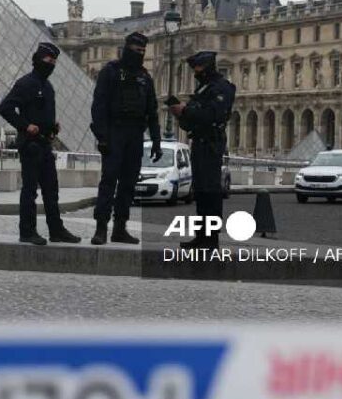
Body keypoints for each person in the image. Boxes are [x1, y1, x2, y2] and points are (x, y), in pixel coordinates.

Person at [0, 42, 82, 246]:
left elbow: (43, 114)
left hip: (45, 144)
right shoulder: (25, 83)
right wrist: (25, 126)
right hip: (30, 145)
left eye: (54, 61)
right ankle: (27, 231)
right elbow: (5, 108)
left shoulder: (48, 86)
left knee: (51, 190)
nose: (52, 64)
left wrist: (53, 128)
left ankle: (56, 230)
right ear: (38, 59)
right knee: (30, 190)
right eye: (48, 60)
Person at [90, 31, 161, 245]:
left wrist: (156, 140)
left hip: (135, 135)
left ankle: (120, 227)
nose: (139, 53)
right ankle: (101, 227)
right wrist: (102, 136)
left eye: (142, 51)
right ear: (127, 48)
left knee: (129, 184)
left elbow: (152, 111)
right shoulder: (110, 72)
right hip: (114, 132)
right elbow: (98, 106)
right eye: (136, 50)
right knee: (109, 180)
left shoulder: (145, 77)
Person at [168, 50, 235, 249]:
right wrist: (181, 115)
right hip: (199, 141)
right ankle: (201, 236)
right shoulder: (203, 89)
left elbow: (213, 114)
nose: (195, 72)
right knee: (201, 191)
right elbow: (191, 122)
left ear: (207, 66)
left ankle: (211, 239)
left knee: (211, 191)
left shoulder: (222, 87)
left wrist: (186, 110)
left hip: (212, 143)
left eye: (198, 68)